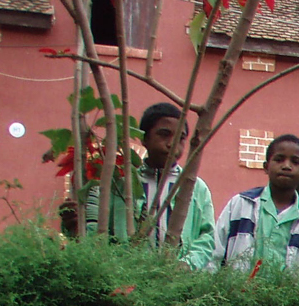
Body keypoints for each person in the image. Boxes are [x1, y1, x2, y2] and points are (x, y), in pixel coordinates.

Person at [79, 100, 214, 270]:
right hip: (126, 280)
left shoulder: (195, 188)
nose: (172, 144)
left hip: (177, 283)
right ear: (144, 138)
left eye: (180, 138)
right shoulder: (120, 183)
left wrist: (186, 264)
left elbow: (207, 237)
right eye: (164, 134)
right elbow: (96, 231)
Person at [214, 133, 299, 272]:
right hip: (235, 292)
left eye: (295, 162)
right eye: (279, 159)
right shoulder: (241, 205)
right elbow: (215, 252)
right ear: (266, 166)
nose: (287, 166)